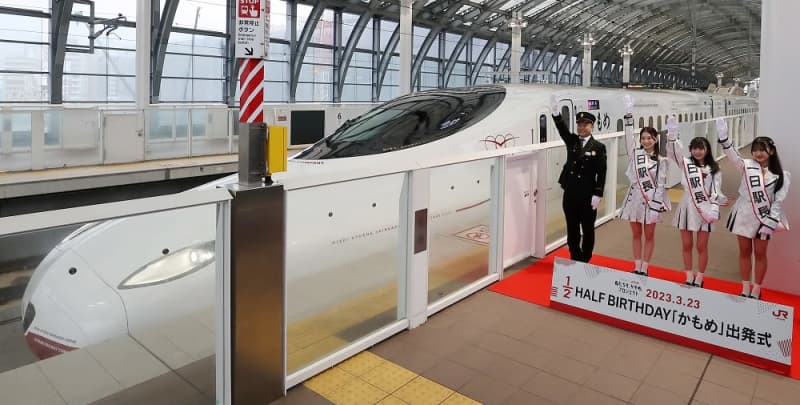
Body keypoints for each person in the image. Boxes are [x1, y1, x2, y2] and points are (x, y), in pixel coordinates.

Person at [716, 118, 790, 299]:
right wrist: (724, 140)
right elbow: (733, 156)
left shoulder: (782, 175)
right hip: (744, 214)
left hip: (764, 218)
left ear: (771, 151)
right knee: (744, 252)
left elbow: (778, 201)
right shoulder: (746, 166)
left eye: (762, 149)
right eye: (755, 150)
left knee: (760, 254)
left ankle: (756, 289)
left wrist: (770, 221)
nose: (758, 153)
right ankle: (745, 288)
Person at [665, 115, 725, 287]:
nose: (697, 151)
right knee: (686, 244)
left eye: (701, 148)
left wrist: (715, 207)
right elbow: (673, 153)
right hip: (686, 206)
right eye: (694, 148)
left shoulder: (714, 169)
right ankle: (689, 276)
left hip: (705, 208)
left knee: (701, 246)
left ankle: (700, 277)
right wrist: (672, 135)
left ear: (707, 150)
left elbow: (716, 190)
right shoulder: (686, 164)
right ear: (690, 150)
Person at [550, 94, 607, 263]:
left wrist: (598, 194)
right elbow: (562, 130)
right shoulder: (572, 141)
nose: (581, 127)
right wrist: (556, 113)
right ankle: (575, 257)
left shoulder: (599, 147)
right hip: (571, 193)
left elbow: (602, 172)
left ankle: (585, 258)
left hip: (588, 195)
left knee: (588, 229)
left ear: (592, 126)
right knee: (572, 228)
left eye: (585, 124)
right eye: (579, 124)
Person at [619, 94, 671, 276]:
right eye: (643, 138)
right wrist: (629, 116)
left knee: (649, 235)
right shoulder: (635, 154)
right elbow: (628, 139)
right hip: (634, 199)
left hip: (651, 202)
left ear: (655, 139)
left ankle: (645, 267)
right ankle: (636, 265)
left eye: (649, 138)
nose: (646, 141)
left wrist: (656, 206)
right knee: (635, 234)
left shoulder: (662, 160)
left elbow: (661, 185)